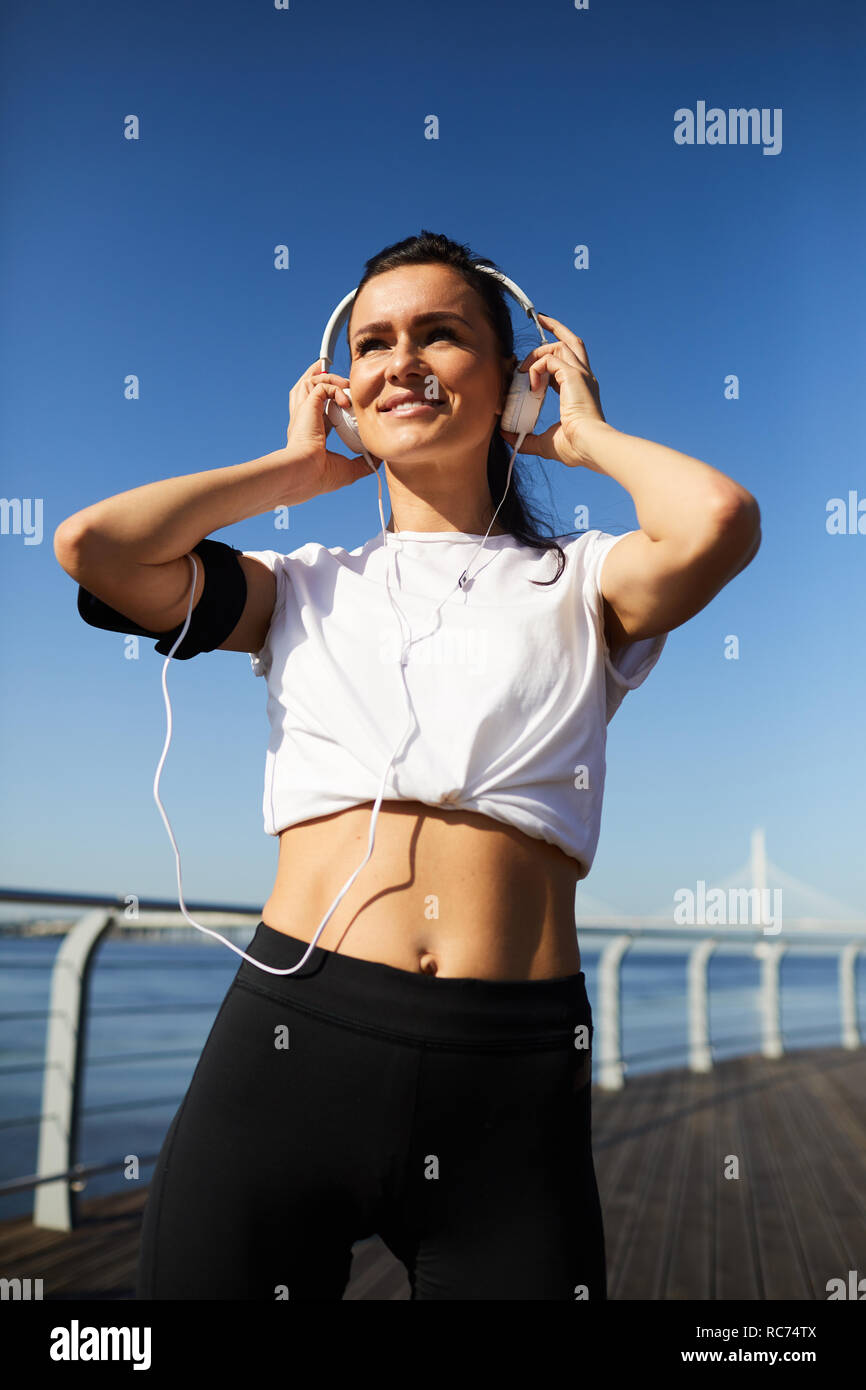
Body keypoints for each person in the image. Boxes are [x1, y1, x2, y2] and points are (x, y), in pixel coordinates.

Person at [53, 230, 761, 1300]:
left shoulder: (580, 582)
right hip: (292, 1040)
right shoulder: (296, 585)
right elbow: (95, 547)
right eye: (374, 342)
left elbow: (716, 517)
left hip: (509, 1072)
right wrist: (293, 471)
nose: (401, 361)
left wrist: (577, 435)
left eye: (441, 334)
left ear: (512, 378)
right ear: (342, 387)